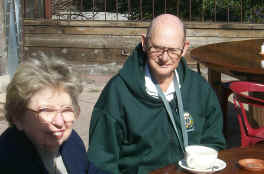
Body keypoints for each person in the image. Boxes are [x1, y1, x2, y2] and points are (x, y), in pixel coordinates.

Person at [87, 14, 226, 174]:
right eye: (157, 48)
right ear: (144, 43)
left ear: (184, 48)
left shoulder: (199, 89)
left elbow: (214, 142)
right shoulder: (117, 93)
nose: (164, 58)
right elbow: (101, 162)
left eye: (173, 50)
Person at [0, 56, 109, 174]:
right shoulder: (7, 160)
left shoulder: (71, 140)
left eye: (66, 109)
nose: (59, 122)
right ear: (18, 117)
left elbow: (88, 169)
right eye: (46, 110)